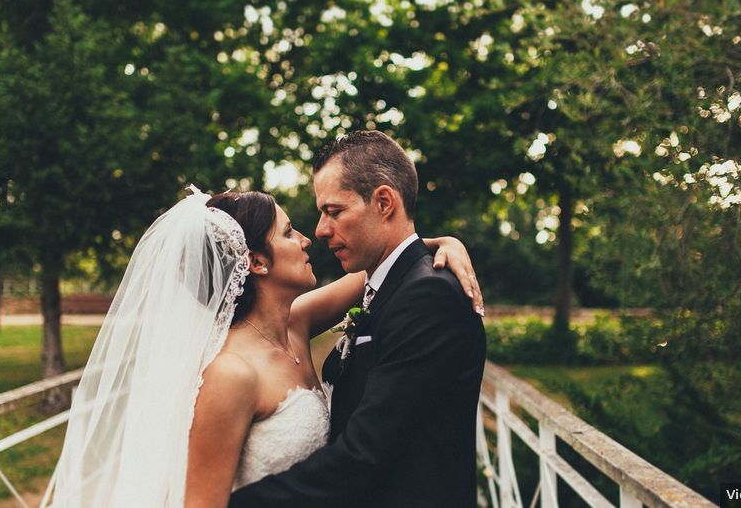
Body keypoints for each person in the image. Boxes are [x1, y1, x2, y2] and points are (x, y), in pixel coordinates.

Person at [44, 183, 480, 507]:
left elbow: (381, 267)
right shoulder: (232, 373)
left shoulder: (296, 323)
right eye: (289, 233)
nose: (308, 239)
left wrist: (443, 244)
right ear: (256, 261)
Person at [229, 130, 487, 507]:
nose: (318, 231)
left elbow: (364, 456)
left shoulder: (427, 296)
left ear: (384, 202)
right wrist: (438, 242)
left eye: (333, 211)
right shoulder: (385, 285)